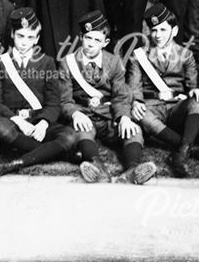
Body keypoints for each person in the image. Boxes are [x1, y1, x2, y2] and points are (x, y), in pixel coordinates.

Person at [59, 11, 157, 185]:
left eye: (96, 40)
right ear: (81, 37)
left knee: (133, 130)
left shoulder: (113, 62)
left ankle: (132, 169)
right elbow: (64, 100)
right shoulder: (68, 62)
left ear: (105, 43)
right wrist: (75, 114)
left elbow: (121, 94)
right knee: (81, 132)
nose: (90, 44)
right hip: (84, 114)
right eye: (87, 38)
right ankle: (98, 168)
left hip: (108, 114)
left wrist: (124, 117)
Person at [0, 7, 78, 180]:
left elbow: (53, 102)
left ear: (36, 39)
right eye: (20, 36)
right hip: (12, 121)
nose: (24, 42)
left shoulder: (47, 62)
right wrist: (19, 121)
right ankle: (55, 152)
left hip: (38, 120)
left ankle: (13, 163)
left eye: (30, 37)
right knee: (0, 128)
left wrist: (43, 123)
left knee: (71, 135)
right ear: (12, 34)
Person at [127, 4, 199, 178]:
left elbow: (192, 86)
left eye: (163, 30)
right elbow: (134, 85)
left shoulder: (185, 54)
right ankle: (188, 151)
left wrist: (196, 91)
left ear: (175, 30)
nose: (158, 35)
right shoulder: (139, 55)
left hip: (177, 107)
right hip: (152, 105)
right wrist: (136, 101)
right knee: (140, 114)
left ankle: (180, 155)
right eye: (154, 30)